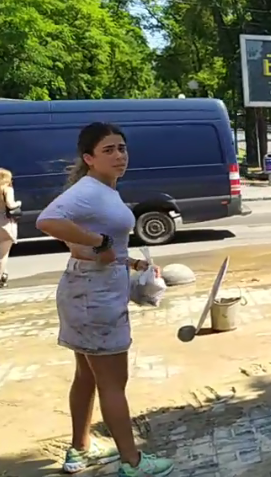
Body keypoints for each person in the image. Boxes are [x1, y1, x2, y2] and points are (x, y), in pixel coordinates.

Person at [36, 123, 174, 477]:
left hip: (87, 290)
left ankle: (78, 450)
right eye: (109, 150)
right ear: (89, 158)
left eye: (122, 148)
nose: (119, 156)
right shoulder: (89, 189)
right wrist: (97, 243)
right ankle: (133, 462)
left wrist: (128, 261)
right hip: (93, 298)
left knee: (86, 375)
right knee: (113, 382)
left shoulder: (102, 189)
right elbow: (47, 220)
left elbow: (96, 245)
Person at [0, 168, 21, 288]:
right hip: (4, 222)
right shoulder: (7, 189)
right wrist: (19, 203)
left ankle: (4, 274)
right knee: (3, 254)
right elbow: (11, 204)